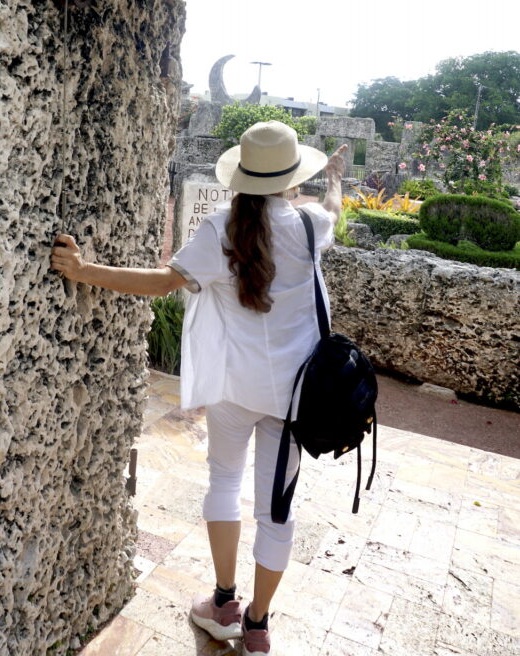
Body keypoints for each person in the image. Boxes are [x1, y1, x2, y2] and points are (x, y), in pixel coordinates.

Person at [51, 121, 346, 656]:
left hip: (235, 388)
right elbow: (333, 211)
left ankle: (225, 602)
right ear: (290, 178)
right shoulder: (309, 225)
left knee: (223, 483)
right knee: (276, 512)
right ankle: (257, 627)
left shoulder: (221, 230)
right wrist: (336, 180)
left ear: (241, 176)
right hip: (295, 397)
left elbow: (160, 282)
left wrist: (82, 269)